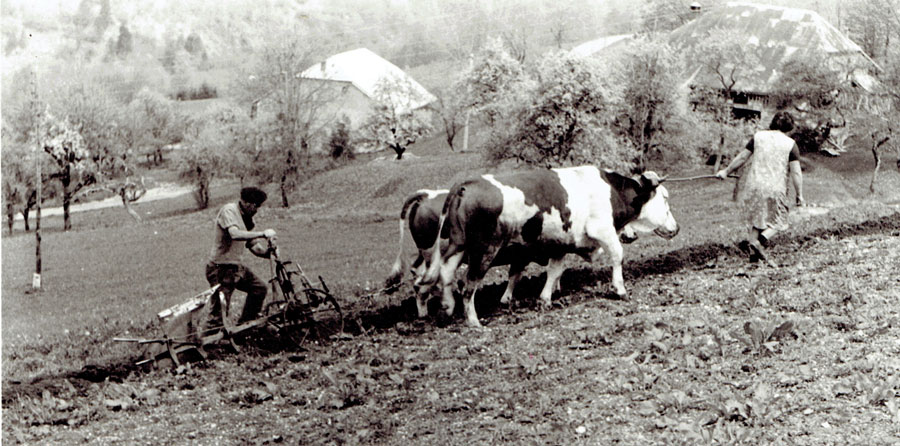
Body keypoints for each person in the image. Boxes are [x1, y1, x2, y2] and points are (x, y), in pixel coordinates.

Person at [715, 111, 805, 266]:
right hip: (776, 188)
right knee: (780, 220)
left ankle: (753, 260)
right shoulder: (790, 144)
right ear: (789, 127)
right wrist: (799, 195)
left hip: (754, 186)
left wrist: (725, 171)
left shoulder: (758, 137)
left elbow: (742, 157)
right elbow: (796, 172)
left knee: (757, 220)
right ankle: (761, 241)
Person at [205, 186, 277, 332]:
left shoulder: (247, 219)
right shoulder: (229, 210)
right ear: (247, 203)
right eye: (256, 206)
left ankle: (244, 328)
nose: (256, 209)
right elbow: (235, 234)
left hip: (235, 267)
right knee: (219, 311)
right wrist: (262, 233)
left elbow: (253, 246)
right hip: (220, 268)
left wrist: (268, 252)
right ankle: (209, 345)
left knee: (259, 289)